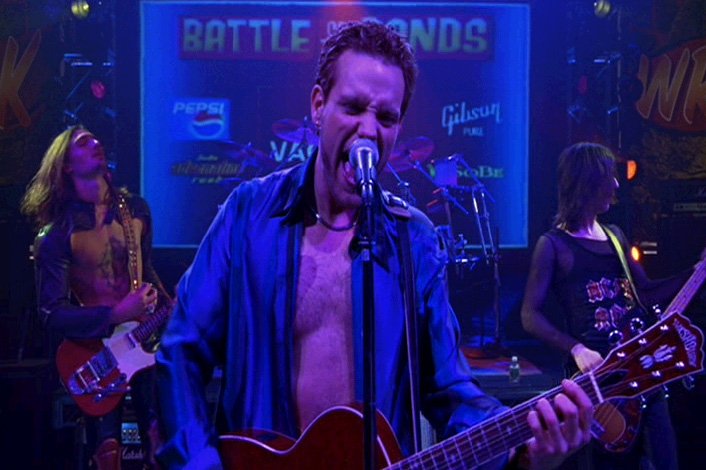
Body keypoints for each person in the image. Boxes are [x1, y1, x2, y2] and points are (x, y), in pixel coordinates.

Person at [156, 21, 593, 469]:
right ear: (318, 105)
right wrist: (199, 464)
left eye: (386, 117)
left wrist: (523, 447)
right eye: (352, 107)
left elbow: (450, 391)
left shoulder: (413, 241)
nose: (368, 130)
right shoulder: (248, 215)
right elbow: (181, 352)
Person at [521, 142, 701, 470]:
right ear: (588, 182)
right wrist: (576, 348)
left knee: (664, 457)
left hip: (640, 370)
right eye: (609, 176)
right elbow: (529, 315)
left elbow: (647, 293)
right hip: (597, 384)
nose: (617, 184)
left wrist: (696, 272)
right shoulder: (553, 245)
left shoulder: (615, 236)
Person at [21, 125, 170, 469]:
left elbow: (145, 269)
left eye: (95, 138)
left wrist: (167, 303)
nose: (96, 142)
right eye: (83, 142)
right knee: (107, 454)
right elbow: (51, 312)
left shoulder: (136, 211)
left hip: (143, 342)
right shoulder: (57, 235)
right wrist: (114, 315)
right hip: (96, 353)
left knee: (160, 442)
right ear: (66, 165)